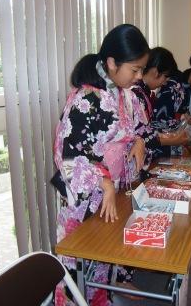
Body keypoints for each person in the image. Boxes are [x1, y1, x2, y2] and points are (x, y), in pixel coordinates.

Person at [51, 24, 153, 305]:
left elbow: (131, 132)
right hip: (85, 195)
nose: (139, 76)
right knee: (79, 262)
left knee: (104, 259)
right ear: (111, 63)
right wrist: (104, 181)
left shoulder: (124, 93)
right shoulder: (86, 98)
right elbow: (68, 153)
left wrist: (138, 142)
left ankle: (99, 299)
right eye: (135, 69)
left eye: (141, 69)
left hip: (110, 189)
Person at [132, 47, 189, 160]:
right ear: (155, 72)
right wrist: (171, 140)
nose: (165, 82)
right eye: (165, 77)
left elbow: (146, 129)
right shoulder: (136, 92)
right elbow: (138, 135)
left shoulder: (144, 92)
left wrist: (163, 136)